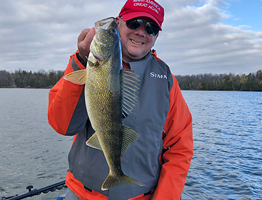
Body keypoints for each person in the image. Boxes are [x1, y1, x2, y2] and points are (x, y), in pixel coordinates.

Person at [48, 0, 193, 199]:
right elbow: (62, 125)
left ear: (156, 36)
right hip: (82, 194)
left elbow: (180, 148)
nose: (141, 32)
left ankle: (116, 174)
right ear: (119, 23)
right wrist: (81, 61)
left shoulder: (166, 80)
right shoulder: (85, 63)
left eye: (150, 28)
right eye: (135, 23)